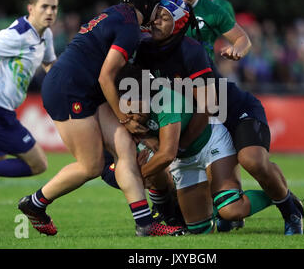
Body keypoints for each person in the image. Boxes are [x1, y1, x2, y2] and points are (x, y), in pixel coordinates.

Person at [17, 0, 185, 237]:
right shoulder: (129, 27)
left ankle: (145, 224)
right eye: (156, 6)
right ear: (146, 4)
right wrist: (124, 117)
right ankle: (35, 204)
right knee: (91, 165)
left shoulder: (119, 13)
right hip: (71, 89)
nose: (157, 13)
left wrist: (133, 127)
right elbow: (106, 76)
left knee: (125, 149)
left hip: (82, 88)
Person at [133, 0, 304, 235]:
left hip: (228, 112)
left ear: (180, 23)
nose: (155, 22)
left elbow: (207, 106)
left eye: (163, 18)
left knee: (252, 163)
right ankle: (205, 206)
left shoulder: (190, 50)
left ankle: (285, 202)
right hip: (196, 127)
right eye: (155, 17)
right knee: (199, 229)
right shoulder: (145, 49)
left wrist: (177, 147)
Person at [113, 64, 273, 234]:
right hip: (183, 159)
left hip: (209, 143)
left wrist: (137, 176)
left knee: (231, 209)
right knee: (200, 229)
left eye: (135, 107)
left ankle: (275, 194)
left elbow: (167, 154)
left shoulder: (165, 100)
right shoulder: (129, 112)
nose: (132, 115)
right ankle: (217, 208)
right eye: (127, 107)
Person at [0, 0, 59, 198]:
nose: (50, 12)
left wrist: (69, 82)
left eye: (54, 8)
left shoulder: (45, 34)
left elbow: (50, 65)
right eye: (44, 7)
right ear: (31, 8)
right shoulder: (17, 34)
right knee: (38, 164)